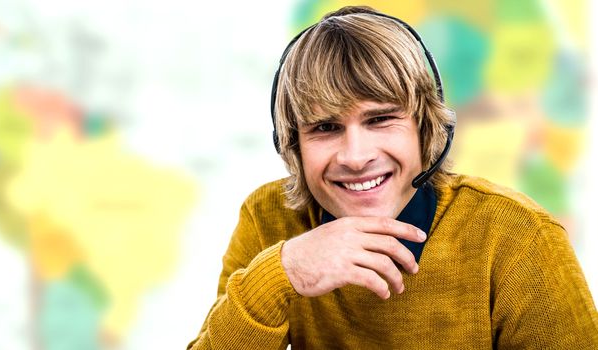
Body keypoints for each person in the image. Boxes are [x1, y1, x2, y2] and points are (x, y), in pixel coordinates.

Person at [187, 6, 598, 349]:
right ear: (291, 145)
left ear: (426, 126)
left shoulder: (517, 235)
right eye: (325, 128)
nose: (355, 156)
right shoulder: (268, 219)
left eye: (380, 119)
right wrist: (282, 274)